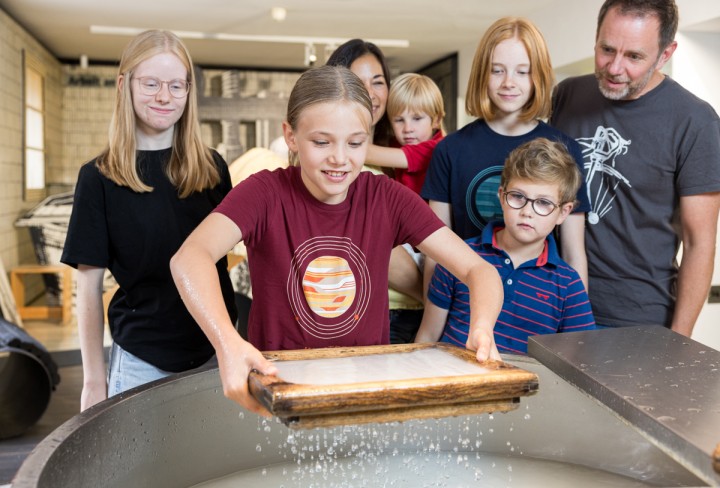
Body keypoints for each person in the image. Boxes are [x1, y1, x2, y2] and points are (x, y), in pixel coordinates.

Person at [170, 65, 504, 415]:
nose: (340, 159)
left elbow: (479, 271)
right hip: (279, 393)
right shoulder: (264, 192)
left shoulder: (386, 197)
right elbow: (190, 258)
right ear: (291, 136)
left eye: (356, 143)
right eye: (321, 142)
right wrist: (228, 343)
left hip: (366, 392)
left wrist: (481, 328)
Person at [61, 30, 237, 411]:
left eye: (176, 85)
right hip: (142, 360)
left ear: (189, 92)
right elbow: (88, 289)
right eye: (151, 83)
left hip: (214, 351)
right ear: (124, 84)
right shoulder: (98, 178)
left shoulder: (211, 169)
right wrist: (93, 380)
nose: (164, 96)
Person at [550, 0, 720, 335]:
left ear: (665, 54)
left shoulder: (695, 121)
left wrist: (679, 337)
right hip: (554, 301)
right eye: (606, 49)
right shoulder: (568, 95)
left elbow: (699, 241)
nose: (614, 68)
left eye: (634, 57)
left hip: (639, 318)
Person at [421, 17, 591, 291]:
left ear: (539, 76)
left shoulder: (566, 150)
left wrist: (575, 329)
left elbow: (573, 253)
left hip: (539, 306)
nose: (508, 82)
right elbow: (436, 250)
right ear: (482, 75)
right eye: (497, 70)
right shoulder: (450, 150)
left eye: (522, 72)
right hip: (467, 302)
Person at [416, 138, 596, 353]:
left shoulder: (569, 285)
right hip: (452, 379)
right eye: (518, 197)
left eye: (543, 203)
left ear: (563, 212)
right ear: (502, 196)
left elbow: (576, 360)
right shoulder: (461, 257)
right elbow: (427, 336)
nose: (527, 212)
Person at [327, 39, 426, 343]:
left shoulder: (391, 155)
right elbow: (388, 259)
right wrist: (439, 297)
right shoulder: (344, 169)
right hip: (389, 315)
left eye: (378, 82)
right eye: (357, 82)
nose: (370, 93)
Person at [365, 72, 446, 195]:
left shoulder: (435, 148)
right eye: (399, 120)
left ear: (437, 120)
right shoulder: (397, 142)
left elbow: (368, 154)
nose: (407, 129)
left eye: (417, 118)